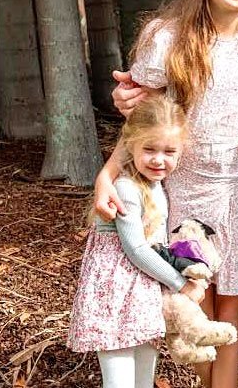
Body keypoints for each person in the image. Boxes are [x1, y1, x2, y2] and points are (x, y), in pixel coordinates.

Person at [93, 0, 238, 388]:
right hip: (180, 190)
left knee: (232, 304)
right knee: (191, 303)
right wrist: (107, 174)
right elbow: (143, 122)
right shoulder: (167, 37)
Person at [67, 95, 205, 388]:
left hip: (142, 295)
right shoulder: (126, 188)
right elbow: (136, 249)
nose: (159, 159)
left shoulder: (156, 186)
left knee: (143, 379)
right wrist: (181, 284)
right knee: (119, 382)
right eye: (150, 149)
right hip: (115, 296)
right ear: (131, 146)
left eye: (169, 151)